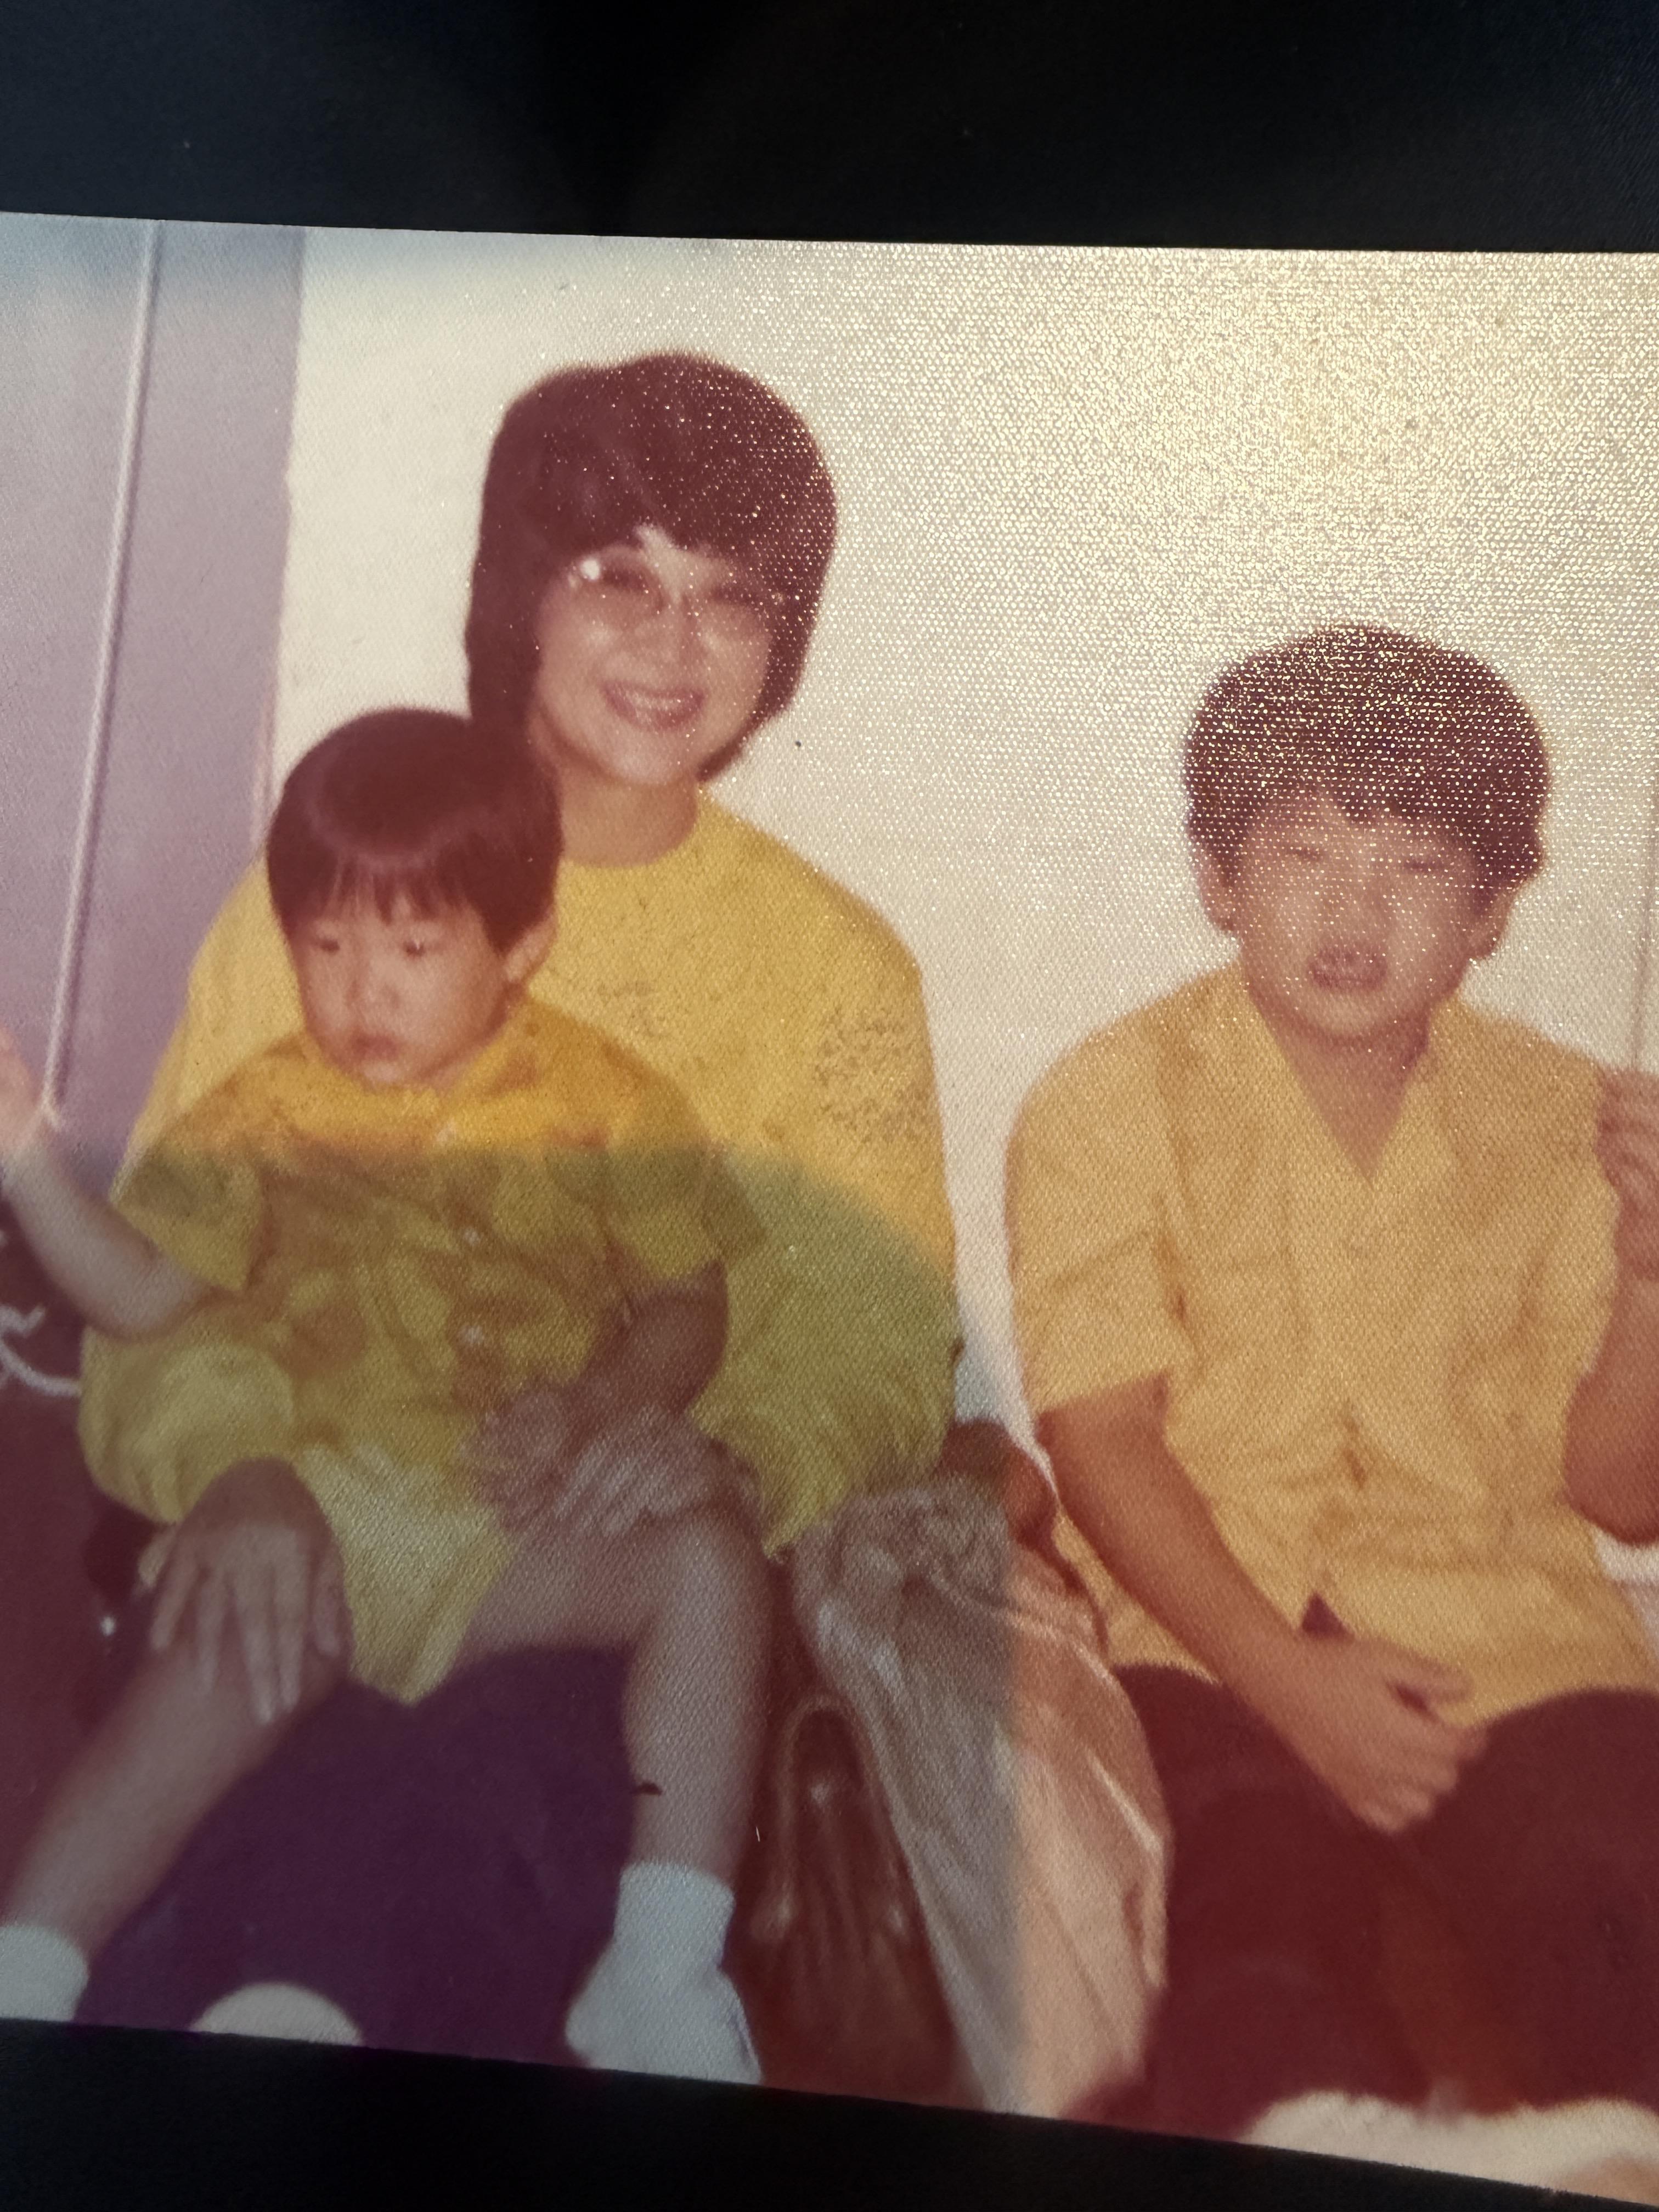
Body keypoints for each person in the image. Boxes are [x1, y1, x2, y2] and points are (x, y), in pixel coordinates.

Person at [69, 352, 960, 2056]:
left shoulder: (837, 970)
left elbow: (879, 1327)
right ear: (519, 600)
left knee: (517, 1779)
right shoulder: (327, 895)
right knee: (252, 1731)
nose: (671, 643)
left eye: (729, 597)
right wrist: (233, 1470)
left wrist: (736, 1454)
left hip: (594, 1562)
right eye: (618, 575)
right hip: (298, 1514)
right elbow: (165, 1284)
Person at [0, 710, 770, 2082]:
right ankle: (28, 1964)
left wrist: (606, 1407)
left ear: (521, 944)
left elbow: (683, 1299)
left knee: (711, 1570)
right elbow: (136, 1295)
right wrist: (23, 1152)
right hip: (316, 1513)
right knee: (210, 1671)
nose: (363, 996)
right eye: (328, 948)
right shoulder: (257, 1112)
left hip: (503, 1526)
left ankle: (660, 1970)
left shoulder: (610, 1097)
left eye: (416, 954)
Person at [1007, 624, 1659, 2191]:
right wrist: (1288, 1688)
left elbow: (1629, 1500)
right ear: (1222, 877)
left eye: (1419, 867)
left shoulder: (1564, 1115)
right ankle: (1310, 2113)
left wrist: (1652, 1276)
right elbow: (1100, 1438)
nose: (1354, 911)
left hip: (1498, 1627)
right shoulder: (1112, 1099)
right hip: (1209, 1633)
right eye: (1305, 852)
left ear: (1495, 911)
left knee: (1621, 1867)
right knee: (1250, 1879)